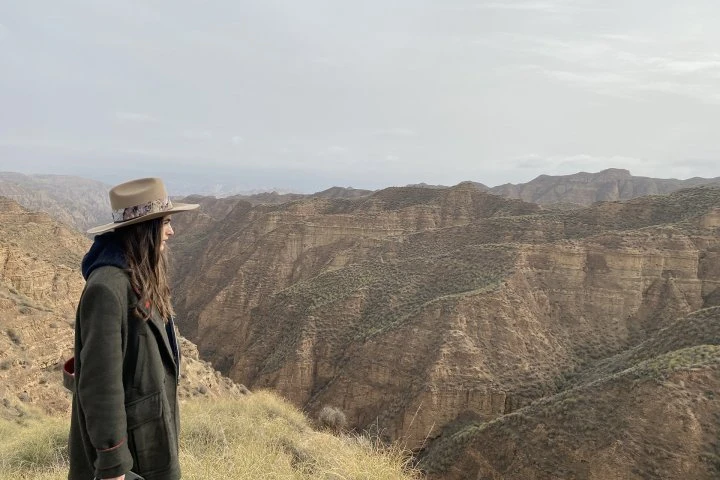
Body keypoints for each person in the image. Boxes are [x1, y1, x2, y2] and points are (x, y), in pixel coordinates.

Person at [67, 177, 198, 480]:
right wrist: (114, 467)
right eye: (164, 222)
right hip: (130, 458)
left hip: (148, 439)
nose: (171, 230)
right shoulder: (107, 289)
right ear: (145, 229)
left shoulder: (139, 275)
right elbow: (100, 385)